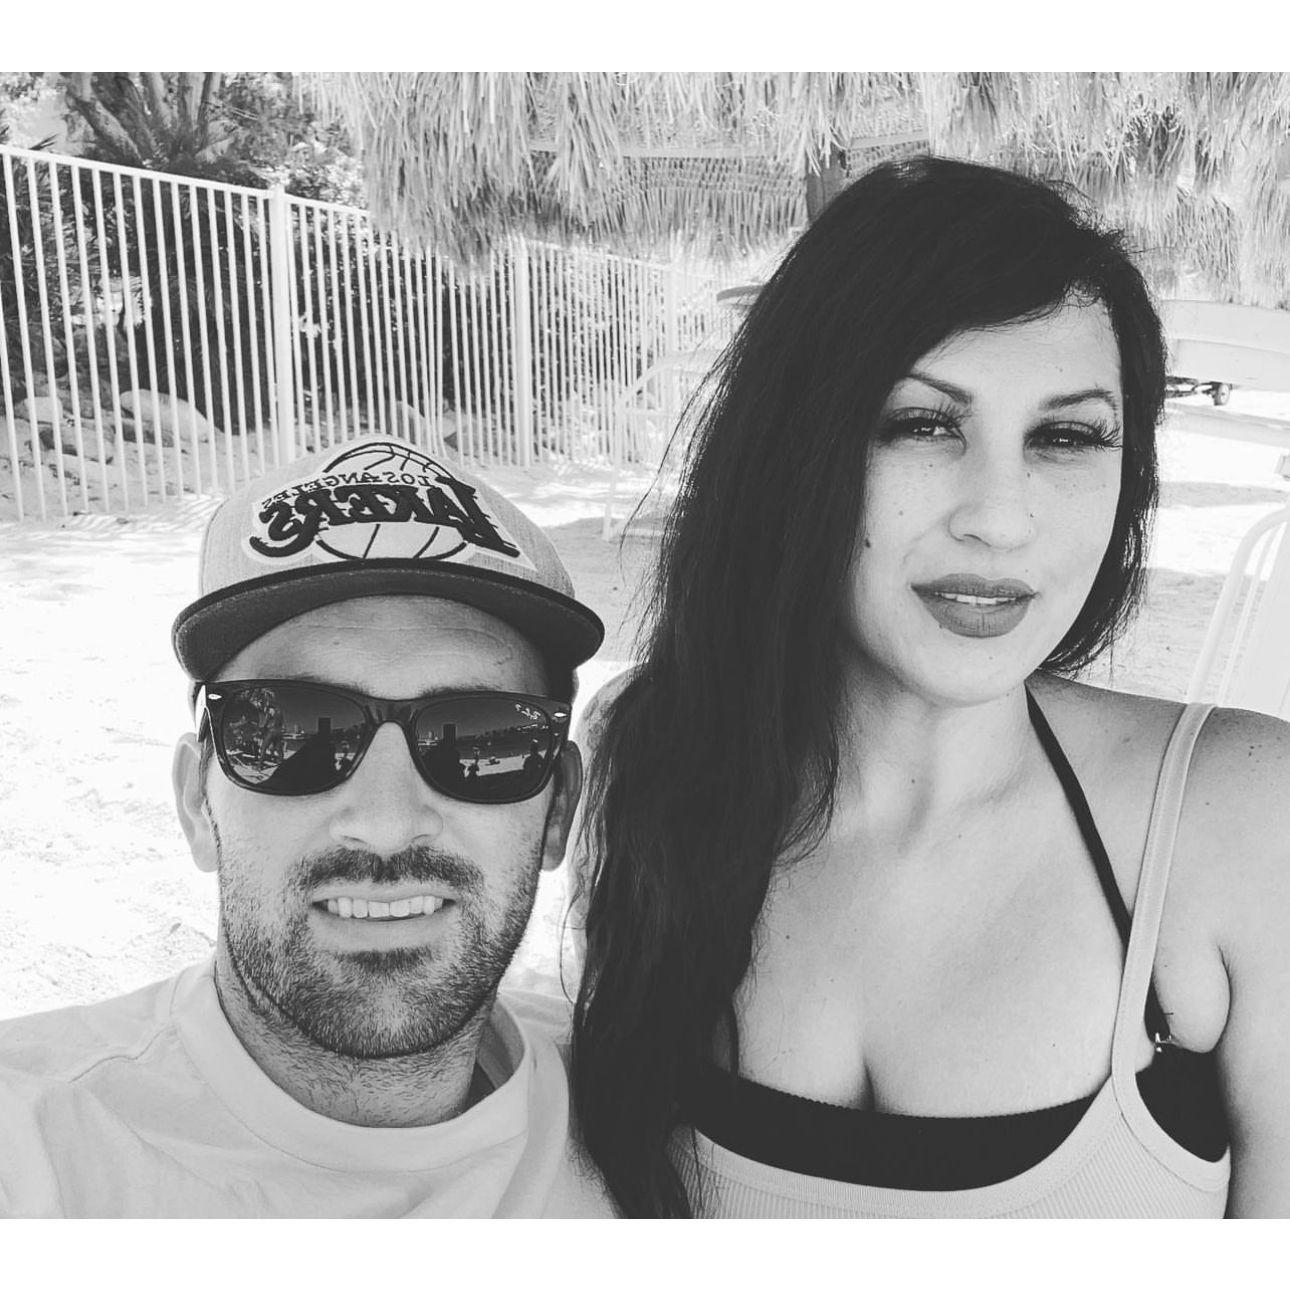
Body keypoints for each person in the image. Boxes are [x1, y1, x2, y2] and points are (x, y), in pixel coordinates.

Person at [571, 157, 1290, 1218]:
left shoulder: (1243, 814)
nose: (999, 517)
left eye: (1067, 436)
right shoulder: (652, 760)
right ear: (794, 450)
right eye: (921, 423)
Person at [0, 433, 616, 1218]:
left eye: (478, 741)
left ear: (558, 809)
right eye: (291, 733)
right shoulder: (33, 1146)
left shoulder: (646, 1121)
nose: (386, 824)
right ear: (198, 802)